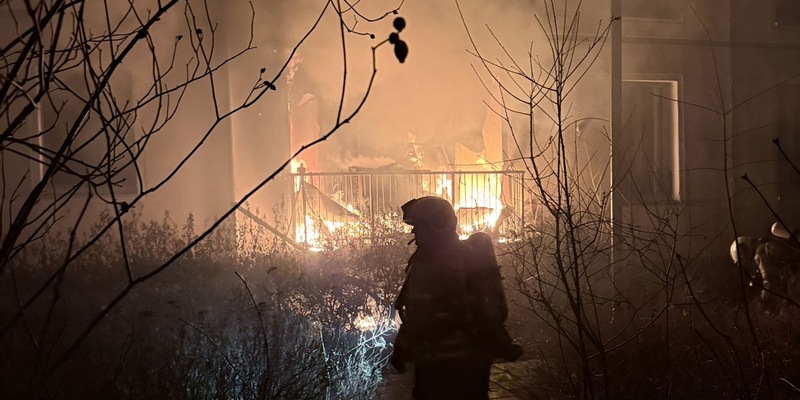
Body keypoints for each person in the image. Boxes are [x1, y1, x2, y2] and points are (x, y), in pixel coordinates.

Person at [390, 196, 522, 400]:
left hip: (458, 364)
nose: (414, 231)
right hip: (439, 362)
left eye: (419, 225)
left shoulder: (451, 261)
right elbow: (416, 312)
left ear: (437, 225)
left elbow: (429, 314)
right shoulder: (427, 259)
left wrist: (406, 346)